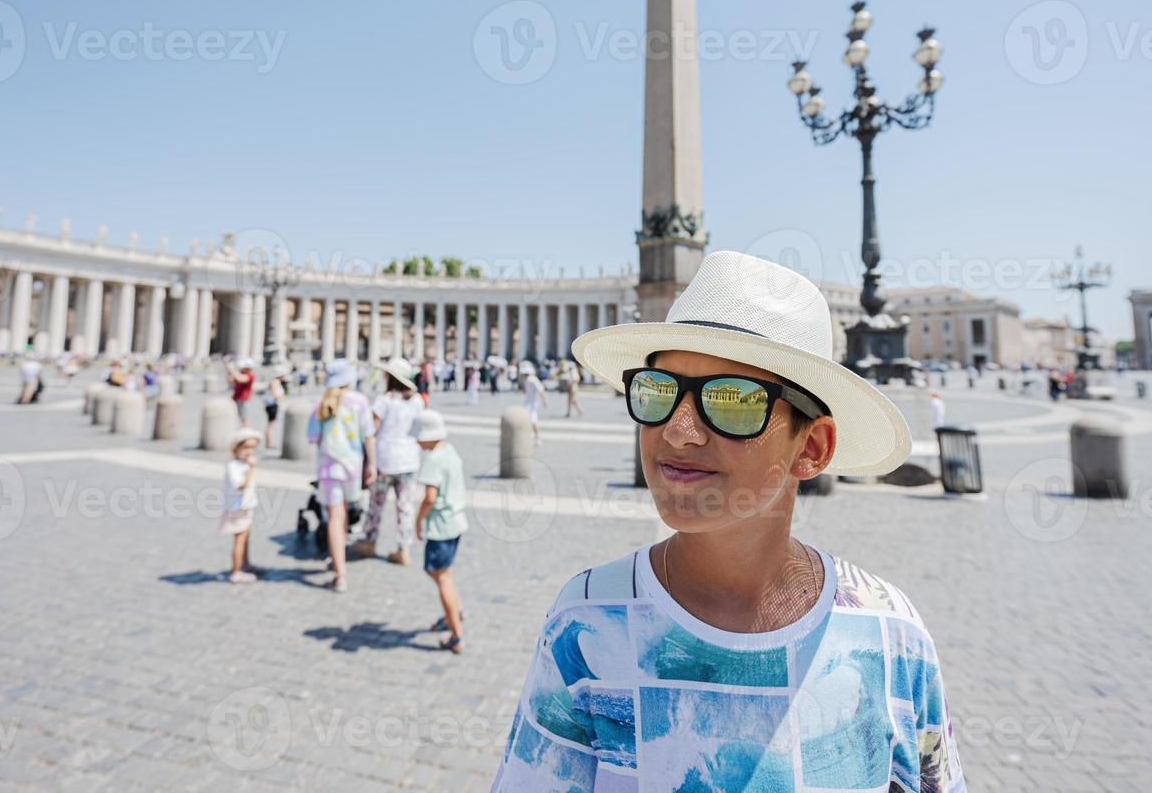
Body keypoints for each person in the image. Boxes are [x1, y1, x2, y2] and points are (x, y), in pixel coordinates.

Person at [492, 251, 963, 790]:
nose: (678, 431)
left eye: (732, 401)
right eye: (658, 391)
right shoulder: (586, 622)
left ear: (812, 447)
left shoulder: (893, 634)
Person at [307, 361, 376, 592]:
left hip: (329, 467)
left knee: (335, 517)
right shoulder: (360, 401)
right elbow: (369, 435)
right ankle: (340, 557)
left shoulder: (321, 403)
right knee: (344, 512)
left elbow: (312, 438)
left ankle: (340, 574)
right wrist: (372, 464)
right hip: (353, 466)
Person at [356, 356, 426, 565]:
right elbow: (417, 430)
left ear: (389, 377)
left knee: (376, 504)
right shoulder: (417, 401)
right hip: (409, 459)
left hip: (385, 459)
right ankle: (403, 548)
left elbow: (371, 429)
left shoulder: (384, 401)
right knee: (405, 506)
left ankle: (369, 541)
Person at [412, 409, 468, 655]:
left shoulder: (434, 459)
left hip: (441, 525)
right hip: (456, 521)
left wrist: (418, 520)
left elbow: (430, 497)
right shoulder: (450, 450)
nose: (416, 441)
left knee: (439, 574)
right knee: (443, 572)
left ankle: (456, 634)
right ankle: (455, 611)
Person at [221, 427, 264, 584]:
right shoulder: (234, 466)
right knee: (240, 539)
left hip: (244, 507)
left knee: (245, 537)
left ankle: (245, 564)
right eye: (246, 448)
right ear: (236, 448)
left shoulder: (242, 464)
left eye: (253, 448)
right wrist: (251, 468)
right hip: (237, 509)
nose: (250, 452)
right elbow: (241, 486)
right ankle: (236, 571)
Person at [519, 361, 547, 447]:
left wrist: (544, 401)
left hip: (531, 404)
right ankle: (533, 438)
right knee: (531, 421)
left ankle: (536, 438)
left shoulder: (532, 379)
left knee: (532, 421)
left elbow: (541, 390)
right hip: (530, 403)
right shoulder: (529, 379)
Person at [262, 369, 287, 449]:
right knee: (270, 425)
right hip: (272, 405)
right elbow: (275, 395)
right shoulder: (275, 382)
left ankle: (269, 443)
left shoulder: (276, 381)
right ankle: (269, 443)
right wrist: (282, 397)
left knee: (271, 425)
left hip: (271, 405)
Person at [227, 357, 256, 424]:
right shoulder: (240, 373)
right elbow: (230, 380)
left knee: (244, 417)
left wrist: (232, 370)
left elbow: (240, 379)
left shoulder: (250, 375)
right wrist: (229, 371)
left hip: (243, 399)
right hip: (236, 398)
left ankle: (245, 431)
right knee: (235, 416)